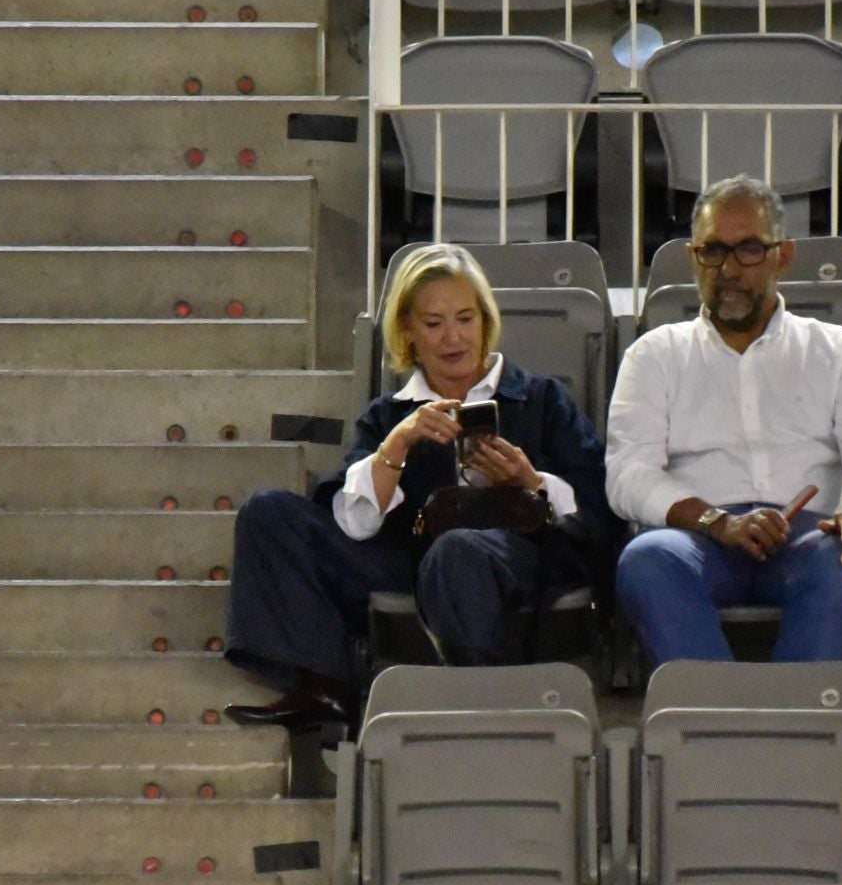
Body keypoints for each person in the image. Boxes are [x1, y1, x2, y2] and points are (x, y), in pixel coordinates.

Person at [223, 244, 614, 731]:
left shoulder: (540, 398)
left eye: (465, 319)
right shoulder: (390, 414)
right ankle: (322, 685)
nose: (453, 337)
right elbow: (354, 523)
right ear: (407, 329)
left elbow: (596, 503)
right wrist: (398, 444)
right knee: (269, 513)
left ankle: (478, 707)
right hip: (408, 557)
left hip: (521, 558)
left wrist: (529, 481)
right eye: (433, 324)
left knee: (458, 550)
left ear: (484, 320)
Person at [607, 175, 842, 665]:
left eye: (748, 250)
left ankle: (804, 723)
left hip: (811, 538)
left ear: (782, 256)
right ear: (692, 257)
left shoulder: (841, 351)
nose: (727, 269)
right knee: (648, 559)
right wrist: (717, 521)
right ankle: (709, 719)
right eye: (712, 251)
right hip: (698, 538)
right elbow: (628, 475)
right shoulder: (654, 355)